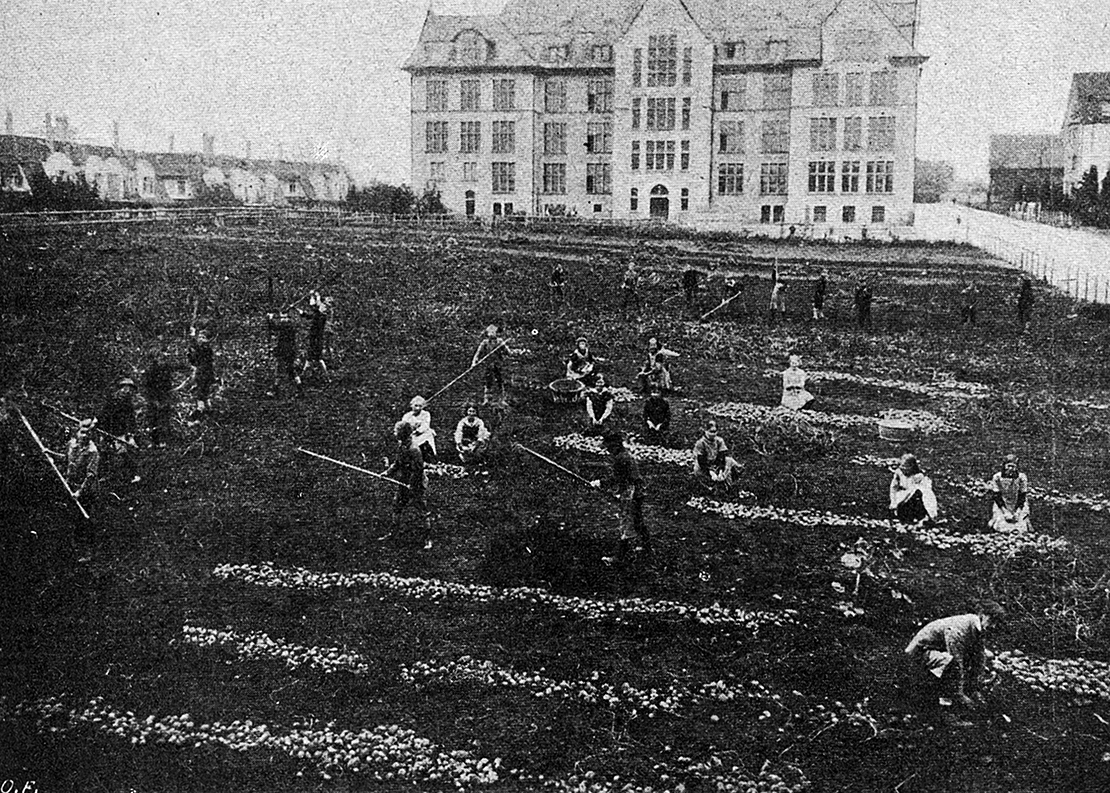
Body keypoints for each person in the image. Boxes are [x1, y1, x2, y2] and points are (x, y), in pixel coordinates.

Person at [904, 602, 1006, 720]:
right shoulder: (961, 627)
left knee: (967, 661)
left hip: (937, 652)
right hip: (919, 654)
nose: (993, 626)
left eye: (996, 623)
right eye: (991, 620)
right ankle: (946, 709)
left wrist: (976, 686)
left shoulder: (977, 629)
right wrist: (960, 694)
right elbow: (956, 660)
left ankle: (962, 695)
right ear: (982, 615)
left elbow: (979, 657)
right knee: (951, 664)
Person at [593, 431, 651, 566]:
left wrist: (600, 483)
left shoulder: (621, 459)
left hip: (632, 492)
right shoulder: (624, 455)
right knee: (637, 520)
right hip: (637, 491)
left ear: (615, 445)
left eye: (609, 447)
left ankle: (619, 557)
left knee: (627, 523)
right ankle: (647, 548)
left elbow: (618, 479)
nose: (607, 450)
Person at [383, 421, 431, 547]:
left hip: (416, 483)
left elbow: (418, 470)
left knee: (421, 510)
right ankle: (393, 533)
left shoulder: (414, 449)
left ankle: (427, 538)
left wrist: (412, 485)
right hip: (404, 481)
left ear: (402, 433)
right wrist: (387, 473)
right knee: (397, 506)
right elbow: (398, 462)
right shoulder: (402, 445)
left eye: (396, 431)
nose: (394, 433)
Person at [99, 377, 140, 483]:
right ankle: (104, 475)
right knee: (104, 452)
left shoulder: (128, 404)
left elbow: (131, 421)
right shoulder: (111, 402)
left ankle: (133, 474)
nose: (127, 391)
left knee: (123, 452)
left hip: (120, 432)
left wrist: (129, 434)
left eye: (130, 390)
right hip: (107, 430)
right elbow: (103, 416)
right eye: (125, 388)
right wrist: (101, 430)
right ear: (120, 389)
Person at [693, 420, 742, 491]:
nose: (713, 434)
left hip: (716, 462)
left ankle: (729, 484)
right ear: (706, 431)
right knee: (697, 470)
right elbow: (701, 460)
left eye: (714, 432)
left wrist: (720, 471)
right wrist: (711, 472)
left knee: (729, 461)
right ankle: (708, 487)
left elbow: (721, 456)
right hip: (705, 464)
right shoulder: (701, 443)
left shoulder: (719, 441)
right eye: (710, 432)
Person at [889, 454, 938, 525]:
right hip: (901, 497)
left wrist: (932, 513)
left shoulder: (918, 476)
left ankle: (923, 516)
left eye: (906, 467)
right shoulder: (899, 473)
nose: (903, 470)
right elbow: (893, 487)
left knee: (918, 494)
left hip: (913, 500)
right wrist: (893, 502)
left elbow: (928, 494)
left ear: (912, 466)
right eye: (902, 467)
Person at [988, 454, 1031, 532]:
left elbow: (1022, 496)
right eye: (1009, 466)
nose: (1011, 469)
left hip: (1017, 504)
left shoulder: (1021, 477)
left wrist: (1017, 512)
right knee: (1002, 526)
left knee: (1020, 527)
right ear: (1004, 466)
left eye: (1013, 466)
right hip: (1002, 504)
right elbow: (997, 496)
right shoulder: (997, 477)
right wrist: (1005, 512)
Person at [143, 346, 175, 448]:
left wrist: (166, 398)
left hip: (164, 396)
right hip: (153, 397)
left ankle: (163, 442)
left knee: (164, 419)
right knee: (153, 419)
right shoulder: (150, 370)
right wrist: (153, 399)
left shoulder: (166, 368)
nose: (159, 358)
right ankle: (153, 442)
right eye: (157, 357)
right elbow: (147, 387)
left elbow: (168, 384)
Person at [266, 311, 302, 398]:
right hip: (290, 351)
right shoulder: (290, 325)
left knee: (279, 370)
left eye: (283, 318)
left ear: (287, 318)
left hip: (284, 351)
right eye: (282, 318)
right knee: (291, 371)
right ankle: (300, 389)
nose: (282, 319)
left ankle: (274, 391)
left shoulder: (286, 325)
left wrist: (269, 318)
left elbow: (274, 327)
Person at [472, 324, 509, 406]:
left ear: (496, 333)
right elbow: (478, 354)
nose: (491, 334)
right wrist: (474, 362)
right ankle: (487, 400)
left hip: (498, 364)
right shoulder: (485, 342)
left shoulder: (500, 341)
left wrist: (502, 347)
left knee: (500, 381)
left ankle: (502, 399)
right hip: (488, 365)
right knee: (488, 382)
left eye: (493, 332)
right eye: (490, 332)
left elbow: (507, 352)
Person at [65, 418, 100, 499]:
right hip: (70, 485)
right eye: (82, 432)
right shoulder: (72, 444)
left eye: (88, 433)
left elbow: (90, 476)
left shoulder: (92, 451)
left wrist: (79, 492)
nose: (84, 436)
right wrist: (49, 453)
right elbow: (65, 458)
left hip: (86, 492)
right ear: (77, 432)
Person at [300, 292, 330, 383]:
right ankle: (303, 375)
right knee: (311, 359)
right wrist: (299, 311)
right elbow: (309, 315)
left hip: (317, 340)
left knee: (318, 360)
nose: (321, 307)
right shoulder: (317, 315)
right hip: (314, 339)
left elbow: (314, 307)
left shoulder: (322, 316)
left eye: (323, 307)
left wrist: (316, 296)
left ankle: (326, 377)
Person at [187, 326, 216, 415]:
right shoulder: (201, 348)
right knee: (201, 391)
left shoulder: (207, 349)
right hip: (201, 373)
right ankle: (206, 408)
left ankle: (201, 409)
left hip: (205, 373)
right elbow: (194, 361)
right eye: (199, 337)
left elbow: (199, 352)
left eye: (203, 338)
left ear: (208, 340)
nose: (200, 339)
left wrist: (192, 337)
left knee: (202, 391)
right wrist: (190, 354)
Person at [400, 395, 437, 462]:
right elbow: (403, 426)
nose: (418, 408)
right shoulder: (407, 416)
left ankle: (431, 457)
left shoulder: (425, 414)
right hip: (411, 435)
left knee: (428, 435)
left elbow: (425, 425)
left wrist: (418, 431)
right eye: (416, 406)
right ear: (411, 405)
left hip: (422, 434)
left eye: (420, 406)